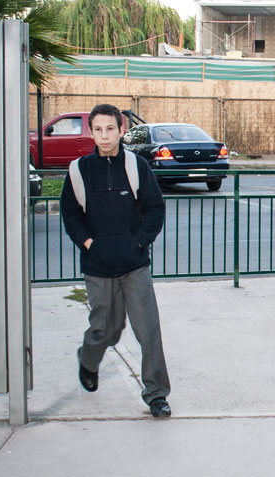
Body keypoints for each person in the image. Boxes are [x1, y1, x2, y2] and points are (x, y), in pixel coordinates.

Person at [60, 104, 171, 418]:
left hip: (135, 265)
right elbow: (70, 215)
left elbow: (154, 210)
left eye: (110, 128)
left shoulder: (137, 167)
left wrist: (138, 243)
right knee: (106, 330)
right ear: (92, 131)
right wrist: (89, 243)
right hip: (98, 267)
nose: (104, 135)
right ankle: (89, 359)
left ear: (121, 130)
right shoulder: (78, 170)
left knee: (148, 332)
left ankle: (156, 395)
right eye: (98, 129)